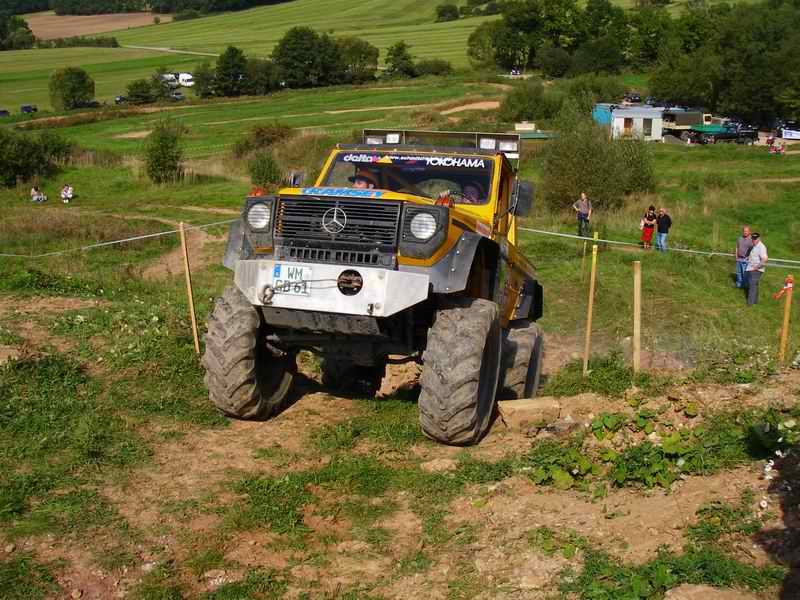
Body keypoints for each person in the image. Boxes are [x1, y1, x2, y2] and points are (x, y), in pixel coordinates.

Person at [745, 232, 768, 305]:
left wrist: (757, 267)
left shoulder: (761, 247)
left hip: (756, 270)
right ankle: (755, 301)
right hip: (751, 268)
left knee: (752, 285)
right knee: (754, 285)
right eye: (752, 239)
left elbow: (765, 259)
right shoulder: (754, 246)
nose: (753, 240)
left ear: (759, 238)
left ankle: (750, 303)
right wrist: (748, 258)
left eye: (755, 239)